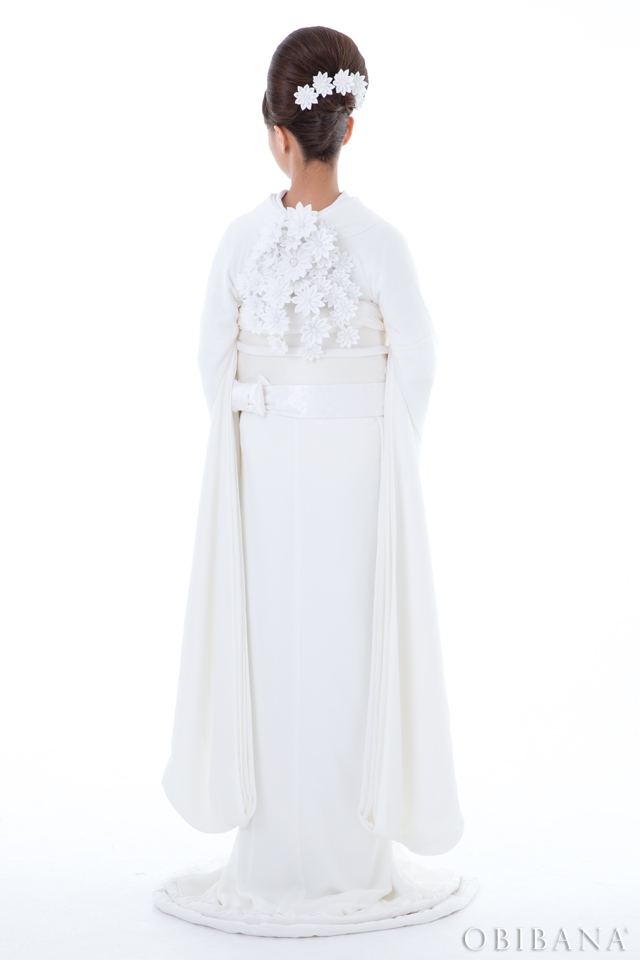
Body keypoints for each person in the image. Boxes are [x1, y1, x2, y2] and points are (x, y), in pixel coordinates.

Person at [154, 25, 479, 937]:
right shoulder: (382, 243)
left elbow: (211, 360)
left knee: (273, 649)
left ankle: (276, 855)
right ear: (348, 126)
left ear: (277, 135)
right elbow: (417, 363)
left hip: (265, 475)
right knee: (346, 651)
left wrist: (257, 425)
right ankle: (347, 850)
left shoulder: (240, 242)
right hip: (357, 481)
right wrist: (381, 445)